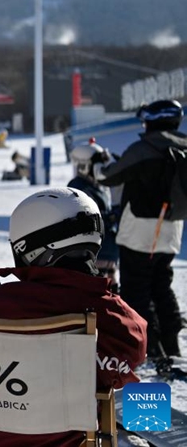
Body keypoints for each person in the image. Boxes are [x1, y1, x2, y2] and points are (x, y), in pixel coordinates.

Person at [0, 187, 146, 447]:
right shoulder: (109, 315)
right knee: (142, 395)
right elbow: (132, 358)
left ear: (27, 246)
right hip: (65, 436)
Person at [99, 99, 187, 359]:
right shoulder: (183, 146)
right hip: (172, 228)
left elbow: (109, 175)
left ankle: (150, 348)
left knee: (137, 288)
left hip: (139, 230)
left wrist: (100, 164)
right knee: (162, 284)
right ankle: (171, 345)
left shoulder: (142, 148)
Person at [68, 140, 119, 289]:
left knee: (112, 288)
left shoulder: (99, 187)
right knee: (100, 289)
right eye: (98, 165)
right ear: (85, 166)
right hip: (97, 254)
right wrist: (110, 216)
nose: (103, 169)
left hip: (109, 251)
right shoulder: (77, 187)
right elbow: (84, 217)